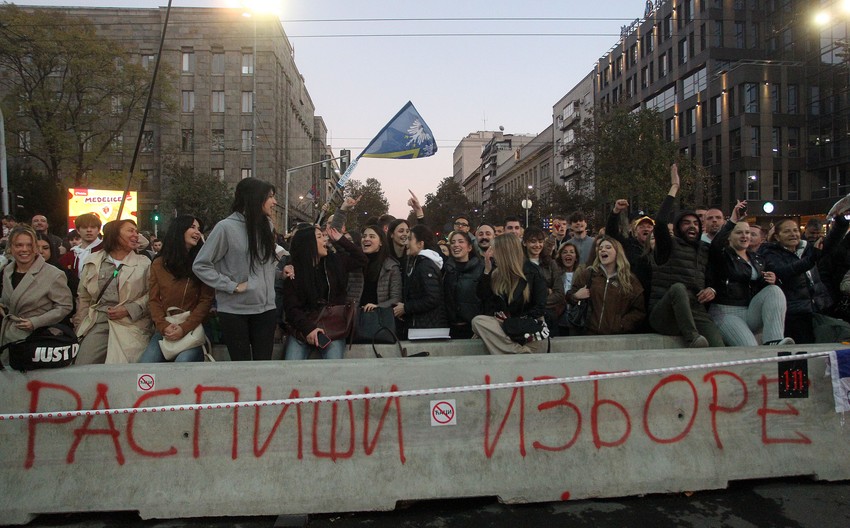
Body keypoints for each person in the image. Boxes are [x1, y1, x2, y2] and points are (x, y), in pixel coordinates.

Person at [193, 178, 280, 361]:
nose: (274, 202)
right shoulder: (225, 228)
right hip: (235, 312)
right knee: (241, 368)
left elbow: (263, 265)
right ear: (255, 198)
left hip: (267, 310)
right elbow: (201, 265)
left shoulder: (267, 225)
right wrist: (231, 285)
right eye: (270, 197)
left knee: (264, 365)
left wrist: (280, 272)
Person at [647, 164, 724, 348]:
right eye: (686, 223)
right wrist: (674, 188)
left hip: (694, 309)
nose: (692, 226)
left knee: (718, 345)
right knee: (678, 288)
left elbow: (718, 274)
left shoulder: (705, 249)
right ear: (678, 227)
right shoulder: (668, 245)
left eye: (695, 224)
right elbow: (659, 224)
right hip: (664, 313)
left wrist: (712, 289)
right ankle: (692, 339)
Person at [708, 201, 792, 346]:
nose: (745, 236)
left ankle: (774, 341)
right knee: (751, 348)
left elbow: (758, 287)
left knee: (774, 290)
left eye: (747, 232)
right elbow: (716, 244)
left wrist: (771, 280)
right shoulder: (721, 255)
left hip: (750, 311)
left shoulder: (757, 259)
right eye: (739, 232)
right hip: (726, 313)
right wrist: (733, 220)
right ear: (729, 236)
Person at [283, 224, 367, 360]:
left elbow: (361, 259)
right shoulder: (294, 270)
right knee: (291, 367)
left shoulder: (335, 262)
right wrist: (308, 329)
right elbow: (292, 308)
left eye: (324, 236)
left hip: (332, 327)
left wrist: (340, 240)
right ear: (308, 243)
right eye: (319, 237)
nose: (325, 240)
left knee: (333, 368)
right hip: (302, 327)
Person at [74, 219, 152, 364]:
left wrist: (129, 309)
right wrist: (79, 325)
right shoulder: (93, 261)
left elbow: (152, 295)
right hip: (97, 320)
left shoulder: (143, 263)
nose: (135, 235)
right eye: (130, 231)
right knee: (83, 365)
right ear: (114, 234)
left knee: (125, 373)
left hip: (132, 323)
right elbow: (83, 297)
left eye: (136, 231)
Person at [139, 215, 214, 363]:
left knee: (183, 362)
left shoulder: (203, 263)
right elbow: (153, 299)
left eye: (199, 229)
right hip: (167, 326)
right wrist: (163, 326)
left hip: (194, 327)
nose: (197, 232)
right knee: (146, 365)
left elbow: (206, 300)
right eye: (192, 227)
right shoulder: (159, 263)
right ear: (179, 230)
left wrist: (184, 328)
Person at [760, 217, 845, 344]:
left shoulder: (806, 249)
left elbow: (828, 244)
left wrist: (842, 221)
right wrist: (812, 258)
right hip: (793, 313)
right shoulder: (770, 253)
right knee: (800, 352)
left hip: (817, 308)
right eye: (787, 231)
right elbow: (785, 271)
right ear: (777, 237)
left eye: (795, 230)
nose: (793, 234)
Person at [472, 234, 548, 354]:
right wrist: (486, 271)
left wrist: (511, 322)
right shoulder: (496, 274)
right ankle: (518, 352)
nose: (491, 254)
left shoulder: (533, 272)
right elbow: (483, 297)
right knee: (478, 321)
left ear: (504, 252)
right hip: (508, 336)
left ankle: (515, 352)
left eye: (494, 250)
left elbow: (540, 307)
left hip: (528, 333)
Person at [0, 225, 73, 350]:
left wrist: (36, 322)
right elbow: (11, 298)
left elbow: (65, 306)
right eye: (19, 245)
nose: (24, 249)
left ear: (36, 248)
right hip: (8, 336)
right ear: (10, 248)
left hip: (36, 340)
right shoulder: (7, 271)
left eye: (29, 245)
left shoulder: (53, 274)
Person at [567, 236, 645, 335]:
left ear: (617, 252)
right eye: (600, 248)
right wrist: (576, 296)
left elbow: (639, 310)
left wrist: (621, 324)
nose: (603, 250)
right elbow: (569, 296)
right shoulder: (589, 274)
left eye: (608, 247)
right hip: (590, 334)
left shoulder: (629, 279)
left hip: (617, 337)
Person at [394, 225, 447, 335]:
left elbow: (432, 298)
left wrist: (406, 308)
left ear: (420, 244)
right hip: (421, 325)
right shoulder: (417, 262)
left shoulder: (425, 266)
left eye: (410, 239)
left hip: (427, 328)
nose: (406, 243)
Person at [523, 226, 566, 333]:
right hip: (525, 318)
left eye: (540, 241)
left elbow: (559, 293)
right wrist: (546, 291)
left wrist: (536, 304)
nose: (537, 245)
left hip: (548, 317)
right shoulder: (519, 265)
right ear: (524, 243)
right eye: (533, 241)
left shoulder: (551, 264)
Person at [443, 230, 484, 338]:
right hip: (449, 327)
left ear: (469, 247)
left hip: (473, 328)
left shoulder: (480, 269)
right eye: (453, 242)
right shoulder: (445, 269)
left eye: (460, 242)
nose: (456, 245)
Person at [358, 224, 402, 325]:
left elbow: (396, 298)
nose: (366, 239)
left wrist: (378, 306)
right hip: (356, 318)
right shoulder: (354, 263)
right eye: (364, 236)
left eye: (372, 236)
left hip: (380, 320)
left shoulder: (391, 266)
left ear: (381, 242)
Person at [555, 241, 583, 335]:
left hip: (576, 319)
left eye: (571, 252)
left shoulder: (582, 274)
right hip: (558, 319)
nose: (568, 254)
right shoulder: (555, 275)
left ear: (576, 257)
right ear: (560, 257)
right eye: (565, 252)